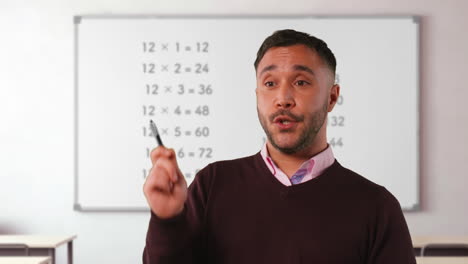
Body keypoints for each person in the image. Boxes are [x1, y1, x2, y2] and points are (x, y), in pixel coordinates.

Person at [142, 29, 416, 264]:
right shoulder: (212, 184)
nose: (282, 98)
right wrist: (167, 220)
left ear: (332, 98)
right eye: (270, 83)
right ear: (257, 95)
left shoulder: (377, 208)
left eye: (301, 82)